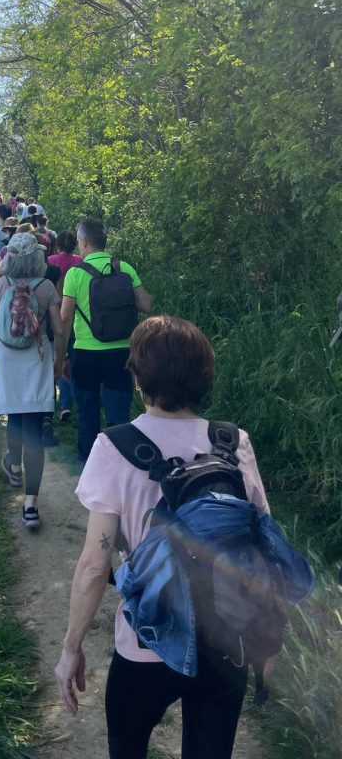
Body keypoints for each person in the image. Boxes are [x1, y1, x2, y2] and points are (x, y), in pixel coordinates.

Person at [55, 316, 271, 759]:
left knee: (127, 746)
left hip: (146, 643)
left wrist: (71, 647)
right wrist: (267, 639)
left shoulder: (114, 447)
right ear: (203, 376)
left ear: (138, 378)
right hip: (225, 644)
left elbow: (95, 565)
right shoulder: (233, 442)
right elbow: (263, 546)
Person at [0, 232, 64, 528]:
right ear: (37, 257)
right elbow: (59, 330)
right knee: (34, 427)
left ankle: (13, 464)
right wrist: (59, 361)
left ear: (9, 256)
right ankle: (31, 506)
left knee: (14, 416)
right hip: (37, 358)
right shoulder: (46, 286)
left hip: (7, 360)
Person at [61, 217, 153, 462]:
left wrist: (61, 357)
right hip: (121, 352)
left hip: (85, 354)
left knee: (87, 414)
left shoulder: (75, 274)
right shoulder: (124, 268)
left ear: (83, 242)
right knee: (118, 414)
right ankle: (120, 464)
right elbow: (146, 304)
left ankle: (88, 463)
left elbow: (65, 318)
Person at [48, 230, 83, 423]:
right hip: (76, 315)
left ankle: (52, 403)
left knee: (55, 358)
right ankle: (69, 402)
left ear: (58, 245)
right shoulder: (80, 261)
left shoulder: (51, 261)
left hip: (54, 314)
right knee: (72, 360)